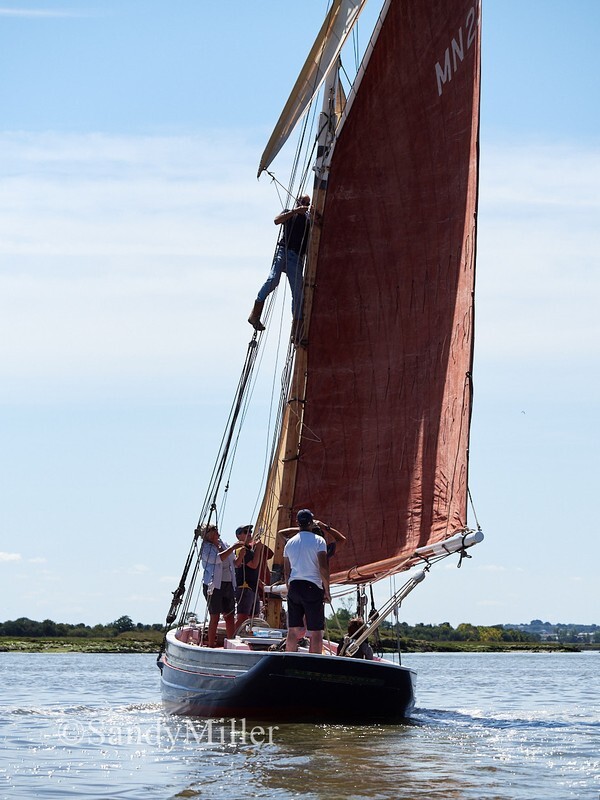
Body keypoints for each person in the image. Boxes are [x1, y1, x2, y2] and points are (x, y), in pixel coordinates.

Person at [248, 195, 312, 333]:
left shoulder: (309, 221)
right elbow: (276, 221)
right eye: (303, 202)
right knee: (273, 280)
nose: (305, 204)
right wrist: (295, 211)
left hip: (296, 258)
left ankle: (297, 331)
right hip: (283, 251)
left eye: (308, 203)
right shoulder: (289, 213)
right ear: (298, 201)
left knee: (298, 293)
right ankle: (255, 314)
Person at [282, 508, 331, 654]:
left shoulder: (289, 543)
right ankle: (314, 663)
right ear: (312, 523)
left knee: (293, 629)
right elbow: (323, 568)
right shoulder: (319, 541)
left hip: (294, 586)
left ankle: (290, 657)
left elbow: (286, 572)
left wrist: (289, 587)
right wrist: (327, 591)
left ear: (297, 523)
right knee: (316, 631)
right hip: (312, 587)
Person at [199, 523, 246, 647]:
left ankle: (231, 643)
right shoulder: (205, 548)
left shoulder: (223, 543)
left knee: (230, 615)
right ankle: (211, 645)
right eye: (214, 531)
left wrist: (240, 556)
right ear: (208, 534)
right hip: (214, 585)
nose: (217, 533)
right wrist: (232, 548)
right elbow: (218, 559)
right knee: (214, 616)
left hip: (228, 583)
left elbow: (234, 563)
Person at [233, 524, 266, 629]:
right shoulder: (241, 550)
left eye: (250, 531)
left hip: (252, 587)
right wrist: (258, 550)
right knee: (242, 617)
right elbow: (253, 565)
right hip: (245, 587)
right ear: (238, 536)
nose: (249, 534)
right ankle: (232, 638)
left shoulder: (249, 550)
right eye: (245, 532)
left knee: (254, 618)